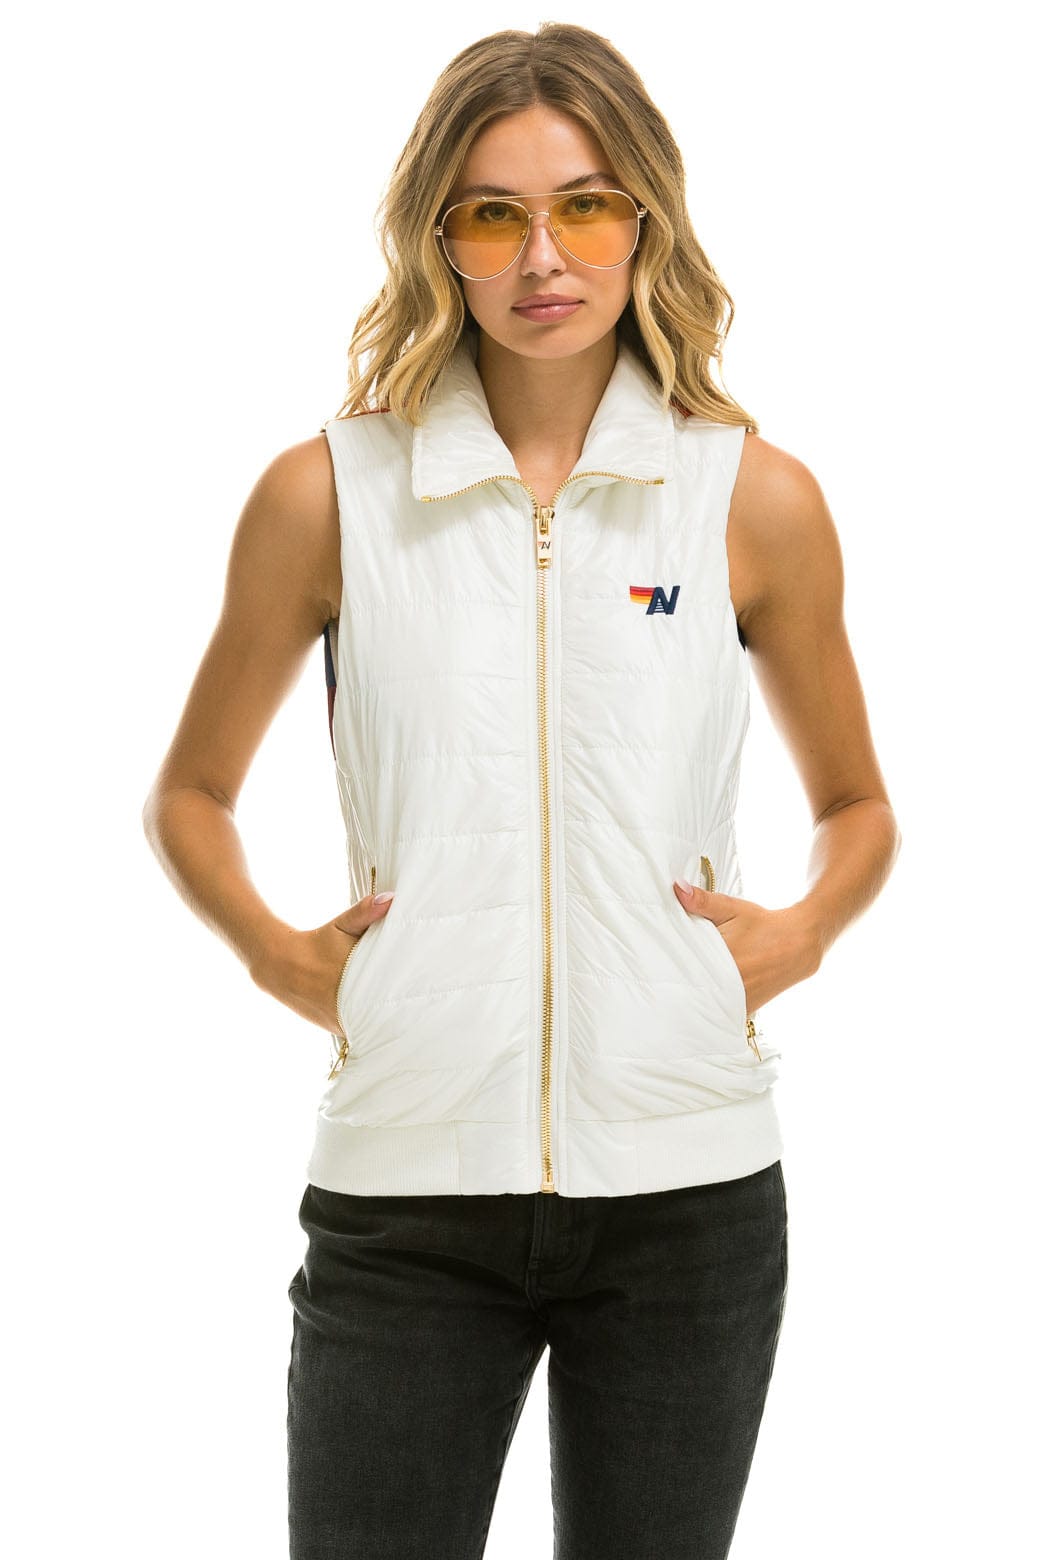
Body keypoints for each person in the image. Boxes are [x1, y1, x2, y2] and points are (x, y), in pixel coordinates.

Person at [142, 21, 901, 1560]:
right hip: (406, 1201)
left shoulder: (747, 498)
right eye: (493, 213)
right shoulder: (330, 495)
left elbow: (859, 808)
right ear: (443, 240)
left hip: (690, 1196)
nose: (543, 256)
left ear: (646, 221)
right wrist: (279, 954)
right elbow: (193, 793)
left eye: (586, 206)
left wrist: (803, 932)